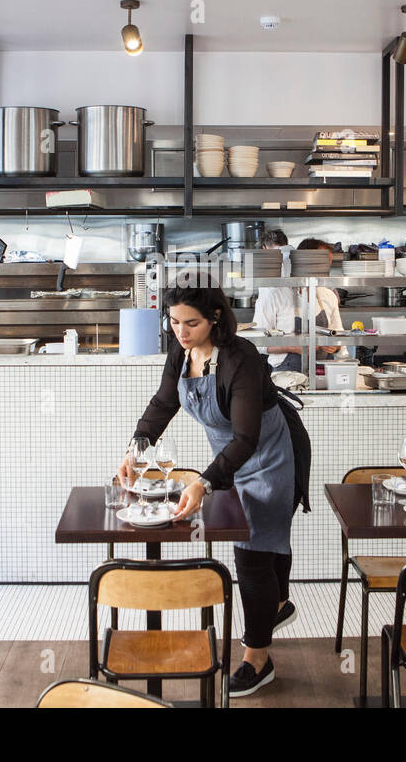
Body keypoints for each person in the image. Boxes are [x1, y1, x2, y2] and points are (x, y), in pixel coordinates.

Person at [122, 285, 301, 697]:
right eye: (173, 322)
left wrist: (203, 481)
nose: (180, 332)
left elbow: (246, 437)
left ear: (215, 318)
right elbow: (164, 402)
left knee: (251, 552)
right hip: (228, 457)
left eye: (191, 323)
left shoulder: (242, 360)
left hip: (269, 456)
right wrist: (136, 447)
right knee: (259, 543)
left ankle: (259, 659)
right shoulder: (181, 352)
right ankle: (276, 606)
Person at [250, 236, 344, 373]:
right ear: (302, 260)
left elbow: (339, 334)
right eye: (321, 263)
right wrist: (293, 347)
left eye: (328, 264)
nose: (325, 269)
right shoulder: (274, 295)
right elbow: (257, 342)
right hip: (286, 374)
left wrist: (335, 346)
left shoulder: (328, 295)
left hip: (326, 372)